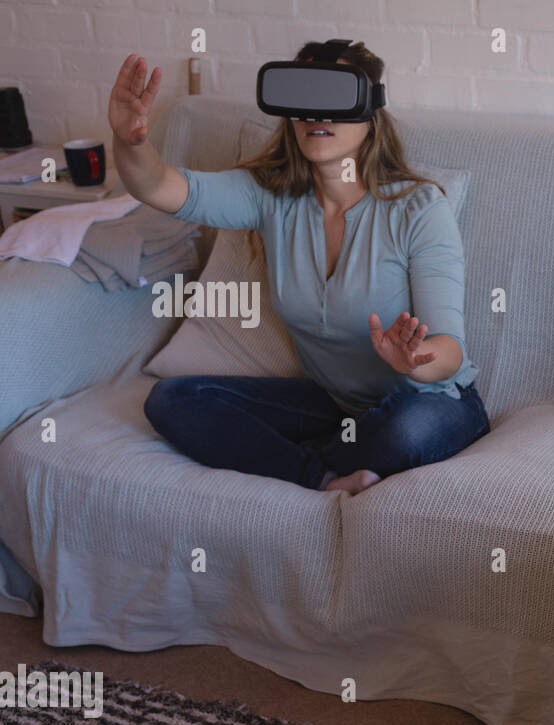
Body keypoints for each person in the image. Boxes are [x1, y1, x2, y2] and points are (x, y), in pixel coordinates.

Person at [110, 43, 488, 495]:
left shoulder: (418, 208)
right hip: (337, 405)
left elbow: (450, 349)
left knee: (404, 432)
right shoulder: (271, 198)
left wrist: (415, 362)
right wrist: (130, 141)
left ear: (369, 113)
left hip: (429, 400)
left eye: (333, 97)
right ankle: (325, 477)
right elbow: (163, 186)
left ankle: (311, 462)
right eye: (304, 99)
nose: (316, 114)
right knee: (174, 399)